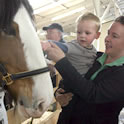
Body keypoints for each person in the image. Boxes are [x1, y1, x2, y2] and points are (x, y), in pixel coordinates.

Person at [44, 15, 124, 124]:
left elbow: (93, 94)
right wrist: (59, 93)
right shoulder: (93, 57)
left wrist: (61, 62)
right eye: (108, 33)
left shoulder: (121, 73)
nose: (107, 38)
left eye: (114, 36)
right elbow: (74, 80)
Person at [42, 12, 101, 124]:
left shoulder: (94, 51)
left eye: (87, 33)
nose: (82, 35)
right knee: (67, 105)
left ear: (97, 35)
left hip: (82, 89)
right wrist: (47, 43)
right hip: (71, 86)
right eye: (79, 32)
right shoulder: (75, 45)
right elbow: (63, 46)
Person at [42, 23, 66, 88]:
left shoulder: (65, 48)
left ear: (59, 34)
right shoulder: (47, 49)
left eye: (50, 32)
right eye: (47, 32)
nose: (47, 35)